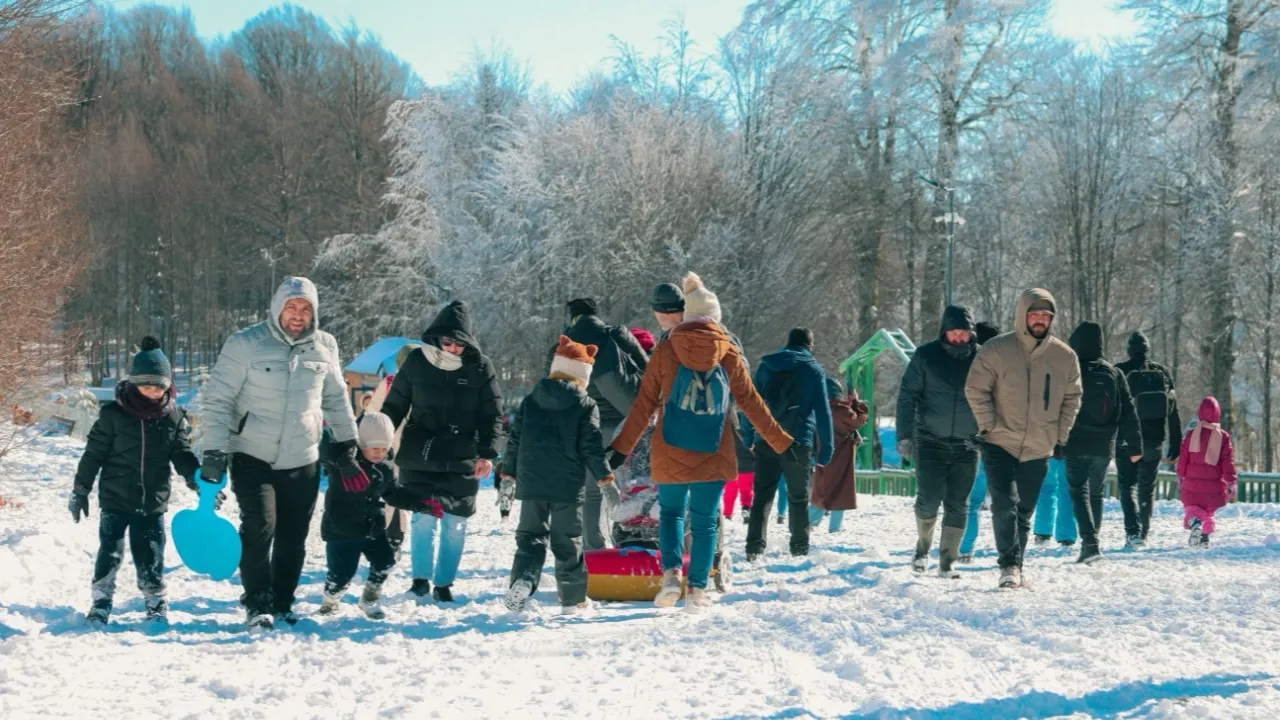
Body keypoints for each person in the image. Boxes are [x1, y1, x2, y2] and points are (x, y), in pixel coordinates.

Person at [608, 272, 793, 610]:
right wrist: (782, 443)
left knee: (671, 514)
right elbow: (751, 403)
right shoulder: (728, 351)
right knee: (705, 521)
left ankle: (670, 575)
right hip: (713, 448)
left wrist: (621, 449)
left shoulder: (665, 349)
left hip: (670, 447)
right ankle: (696, 591)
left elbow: (644, 405)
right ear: (715, 316)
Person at [201, 276, 359, 628]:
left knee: (293, 535)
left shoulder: (325, 346)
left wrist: (348, 441)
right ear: (276, 308)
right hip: (252, 453)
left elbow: (335, 398)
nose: (298, 315)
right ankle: (257, 602)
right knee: (260, 525)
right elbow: (218, 399)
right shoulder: (245, 344)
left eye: (305, 308)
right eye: (291, 306)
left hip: (303, 456)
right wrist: (213, 450)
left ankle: (283, 601)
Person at [70, 337, 201, 626]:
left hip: (152, 500)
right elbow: (93, 454)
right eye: (147, 386)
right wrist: (81, 489)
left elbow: (182, 453)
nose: (153, 392)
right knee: (110, 551)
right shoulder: (113, 415)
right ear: (134, 383)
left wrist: (197, 480)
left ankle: (155, 600)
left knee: (150, 553)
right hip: (115, 498)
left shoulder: (172, 416)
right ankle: (101, 600)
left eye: (159, 386)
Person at [380, 300, 503, 603]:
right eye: (448, 342)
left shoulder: (480, 367)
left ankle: (444, 584)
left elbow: (492, 414)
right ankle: (420, 581)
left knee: (455, 523)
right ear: (437, 338)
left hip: (462, 454)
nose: (453, 348)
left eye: (460, 343)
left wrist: (487, 454)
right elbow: (395, 405)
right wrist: (379, 437)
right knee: (423, 518)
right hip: (421, 452)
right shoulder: (417, 362)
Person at [965, 289, 1082, 589]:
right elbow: (975, 388)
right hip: (999, 441)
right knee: (1004, 503)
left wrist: (1060, 434)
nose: (1040, 320)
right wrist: (988, 425)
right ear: (1022, 316)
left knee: (1024, 511)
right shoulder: (996, 349)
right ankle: (1009, 566)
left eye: (1046, 315)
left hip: (1039, 445)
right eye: (1034, 314)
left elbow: (1073, 398)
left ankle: (1016, 565)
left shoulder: (1065, 356)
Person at [503, 336, 613, 614]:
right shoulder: (586, 404)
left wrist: (508, 474)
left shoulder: (531, 400)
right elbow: (591, 446)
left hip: (532, 481)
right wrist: (605, 478)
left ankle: (524, 580)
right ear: (584, 374)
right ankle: (572, 600)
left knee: (530, 537)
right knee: (567, 541)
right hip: (567, 486)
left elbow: (514, 440)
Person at [895, 306, 982, 578]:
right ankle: (923, 548)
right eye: (953, 332)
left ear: (971, 333)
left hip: (968, 444)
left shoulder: (982, 358)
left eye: (963, 333)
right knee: (929, 498)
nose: (958, 338)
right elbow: (907, 395)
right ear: (944, 332)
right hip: (930, 439)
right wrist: (904, 435)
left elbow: (998, 396)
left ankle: (947, 561)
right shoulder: (926, 355)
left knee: (959, 503)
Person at [561, 297, 648, 551]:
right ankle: (632, 541)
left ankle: (593, 547)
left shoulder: (563, 344)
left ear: (573, 317)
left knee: (592, 491)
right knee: (630, 487)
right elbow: (647, 368)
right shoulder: (616, 335)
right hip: (624, 425)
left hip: (586, 426)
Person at [744, 327, 834, 560]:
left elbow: (750, 402)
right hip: (798, 440)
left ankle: (754, 547)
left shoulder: (766, 366)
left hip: (766, 437)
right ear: (810, 346)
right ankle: (799, 547)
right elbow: (823, 411)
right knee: (798, 496)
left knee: (762, 495)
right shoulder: (813, 370)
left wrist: (747, 435)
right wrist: (826, 448)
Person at [1061, 321, 1143, 564]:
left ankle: (1090, 543)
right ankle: (1092, 542)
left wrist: (1053, 442)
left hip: (1076, 440)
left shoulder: (1070, 371)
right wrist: (1135, 445)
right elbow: (1128, 411)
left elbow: (1056, 406)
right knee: (1095, 493)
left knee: (1078, 491)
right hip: (1105, 442)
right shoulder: (1114, 373)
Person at [318, 412, 399, 619]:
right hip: (341, 528)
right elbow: (325, 449)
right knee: (342, 574)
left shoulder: (385, 467)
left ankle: (369, 599)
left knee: (385, 562)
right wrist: (344, 453)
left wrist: (420, 503)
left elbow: (393, 493)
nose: (380, 453)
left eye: (384, 448)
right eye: (375, 448)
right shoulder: (342, 462)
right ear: (361, 443)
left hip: (372, 526)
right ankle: (330, 600)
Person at [1114, 331, 1183, 548]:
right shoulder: (1161, 372)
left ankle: (1133, 532)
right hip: (1154, 440)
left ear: (1129, 350)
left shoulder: (1120, 371)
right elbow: (1173, 409)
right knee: (1147, 487)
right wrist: (1176, 440)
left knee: (1127, 485)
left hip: (1127, 440)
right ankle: (1143, 532)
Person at [958, 321, 1000, 563]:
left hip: (969, 438)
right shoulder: (1005, 367)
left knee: (968, 500)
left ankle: (964, 547)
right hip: (997, 440)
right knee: (1005, 501)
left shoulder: (967, 365)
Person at [809, 376, 869, 534]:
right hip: (842, 458)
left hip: (822, 456)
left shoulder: (818, 410)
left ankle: (809, 523)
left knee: (821, 491)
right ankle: (834, 528)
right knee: (840, 490)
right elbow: (859, 420)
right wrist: (856, 403)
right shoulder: (843, 411)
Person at [1177, 396, 1236, 547]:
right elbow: (1227, 462)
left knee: (1193, 510)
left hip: (1192, 484)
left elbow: (1183, 459)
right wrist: (1231, 481)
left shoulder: (1191, 435)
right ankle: (1204, 538)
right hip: (1213, 486)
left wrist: (1181, 476)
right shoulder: (1223, 436)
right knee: (1208, 513)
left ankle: (1194, 523)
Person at [1032, 459, 1076, 547]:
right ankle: (1066, 536)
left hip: (1048, 453)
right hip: (1067, 454)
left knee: (1046, 489)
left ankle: (1042, 533)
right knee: (1066, 491)